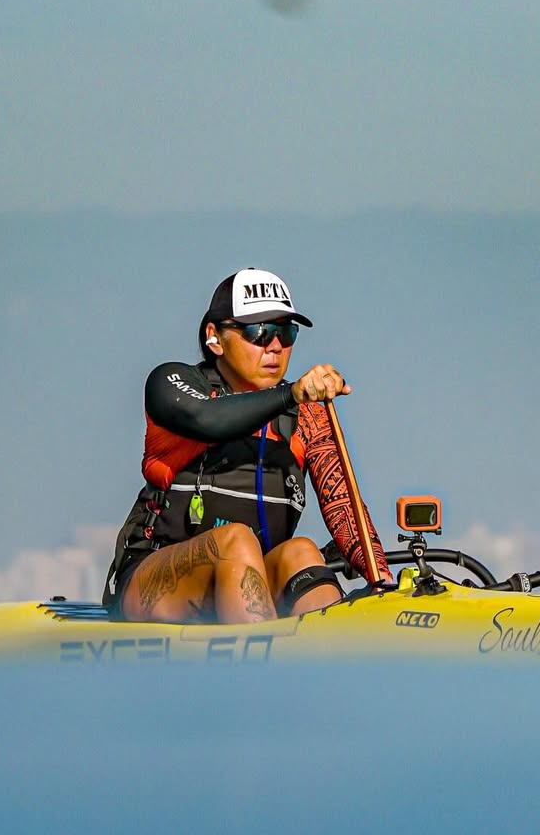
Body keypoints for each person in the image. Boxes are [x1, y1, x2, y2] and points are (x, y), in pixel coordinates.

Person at [104, 267, 391, 623]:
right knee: (236, 542)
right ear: (215, 338)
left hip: (250, 583)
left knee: (302, 552)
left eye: (286, 333)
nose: (274, 346)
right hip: (152, 581)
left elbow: (346, 510)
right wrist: (290, 394)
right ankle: (259, 673)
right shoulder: (172, 383)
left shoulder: (307, 417)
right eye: (259, 332)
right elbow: (207, 419)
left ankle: (334, 662)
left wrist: (384, 585)